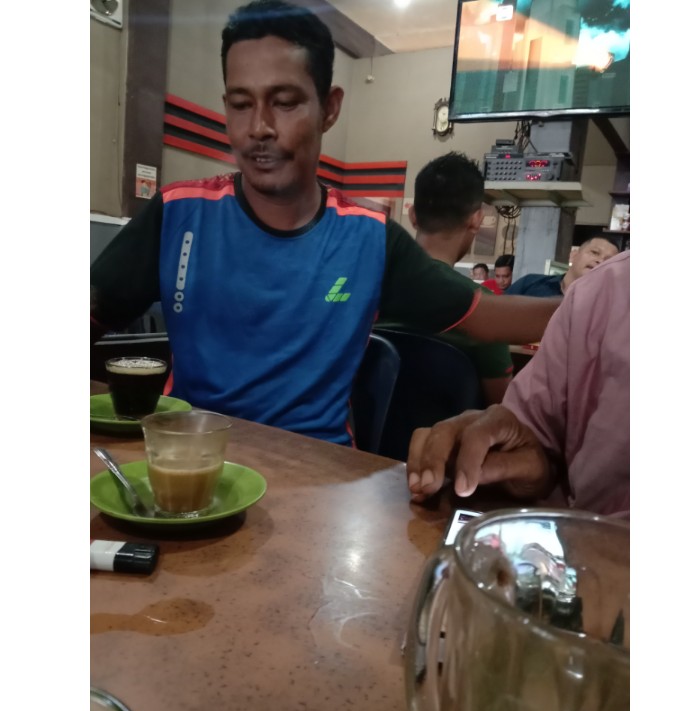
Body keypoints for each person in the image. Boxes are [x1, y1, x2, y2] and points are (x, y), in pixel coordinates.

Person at [90, 0, 560, 447]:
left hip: (315, 472)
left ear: (329, 108)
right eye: (241, 103)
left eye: (285, 102)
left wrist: (591, 302)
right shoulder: (177, 213)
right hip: (186, 462)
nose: (258, 127)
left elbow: (484, 317)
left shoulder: (370, 239)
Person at [406, 251, 630, 517]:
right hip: (571, 533)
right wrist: (524, 457)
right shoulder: (597, 293)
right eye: (593, 252)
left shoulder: (593, 295)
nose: (597, 260)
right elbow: (530, 438)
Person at [375, 152, 512, 405]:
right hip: (451, 432)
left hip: (359, 429)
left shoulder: (369, 289)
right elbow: (502, 407)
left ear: (413, 216)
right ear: (476, 220)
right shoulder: (485, 309)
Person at [505, 235, 619, 297]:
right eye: (595, 252)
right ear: (574, 255)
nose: (600, 261)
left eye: (608, 261)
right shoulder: (530, 283)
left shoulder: (606, 306)